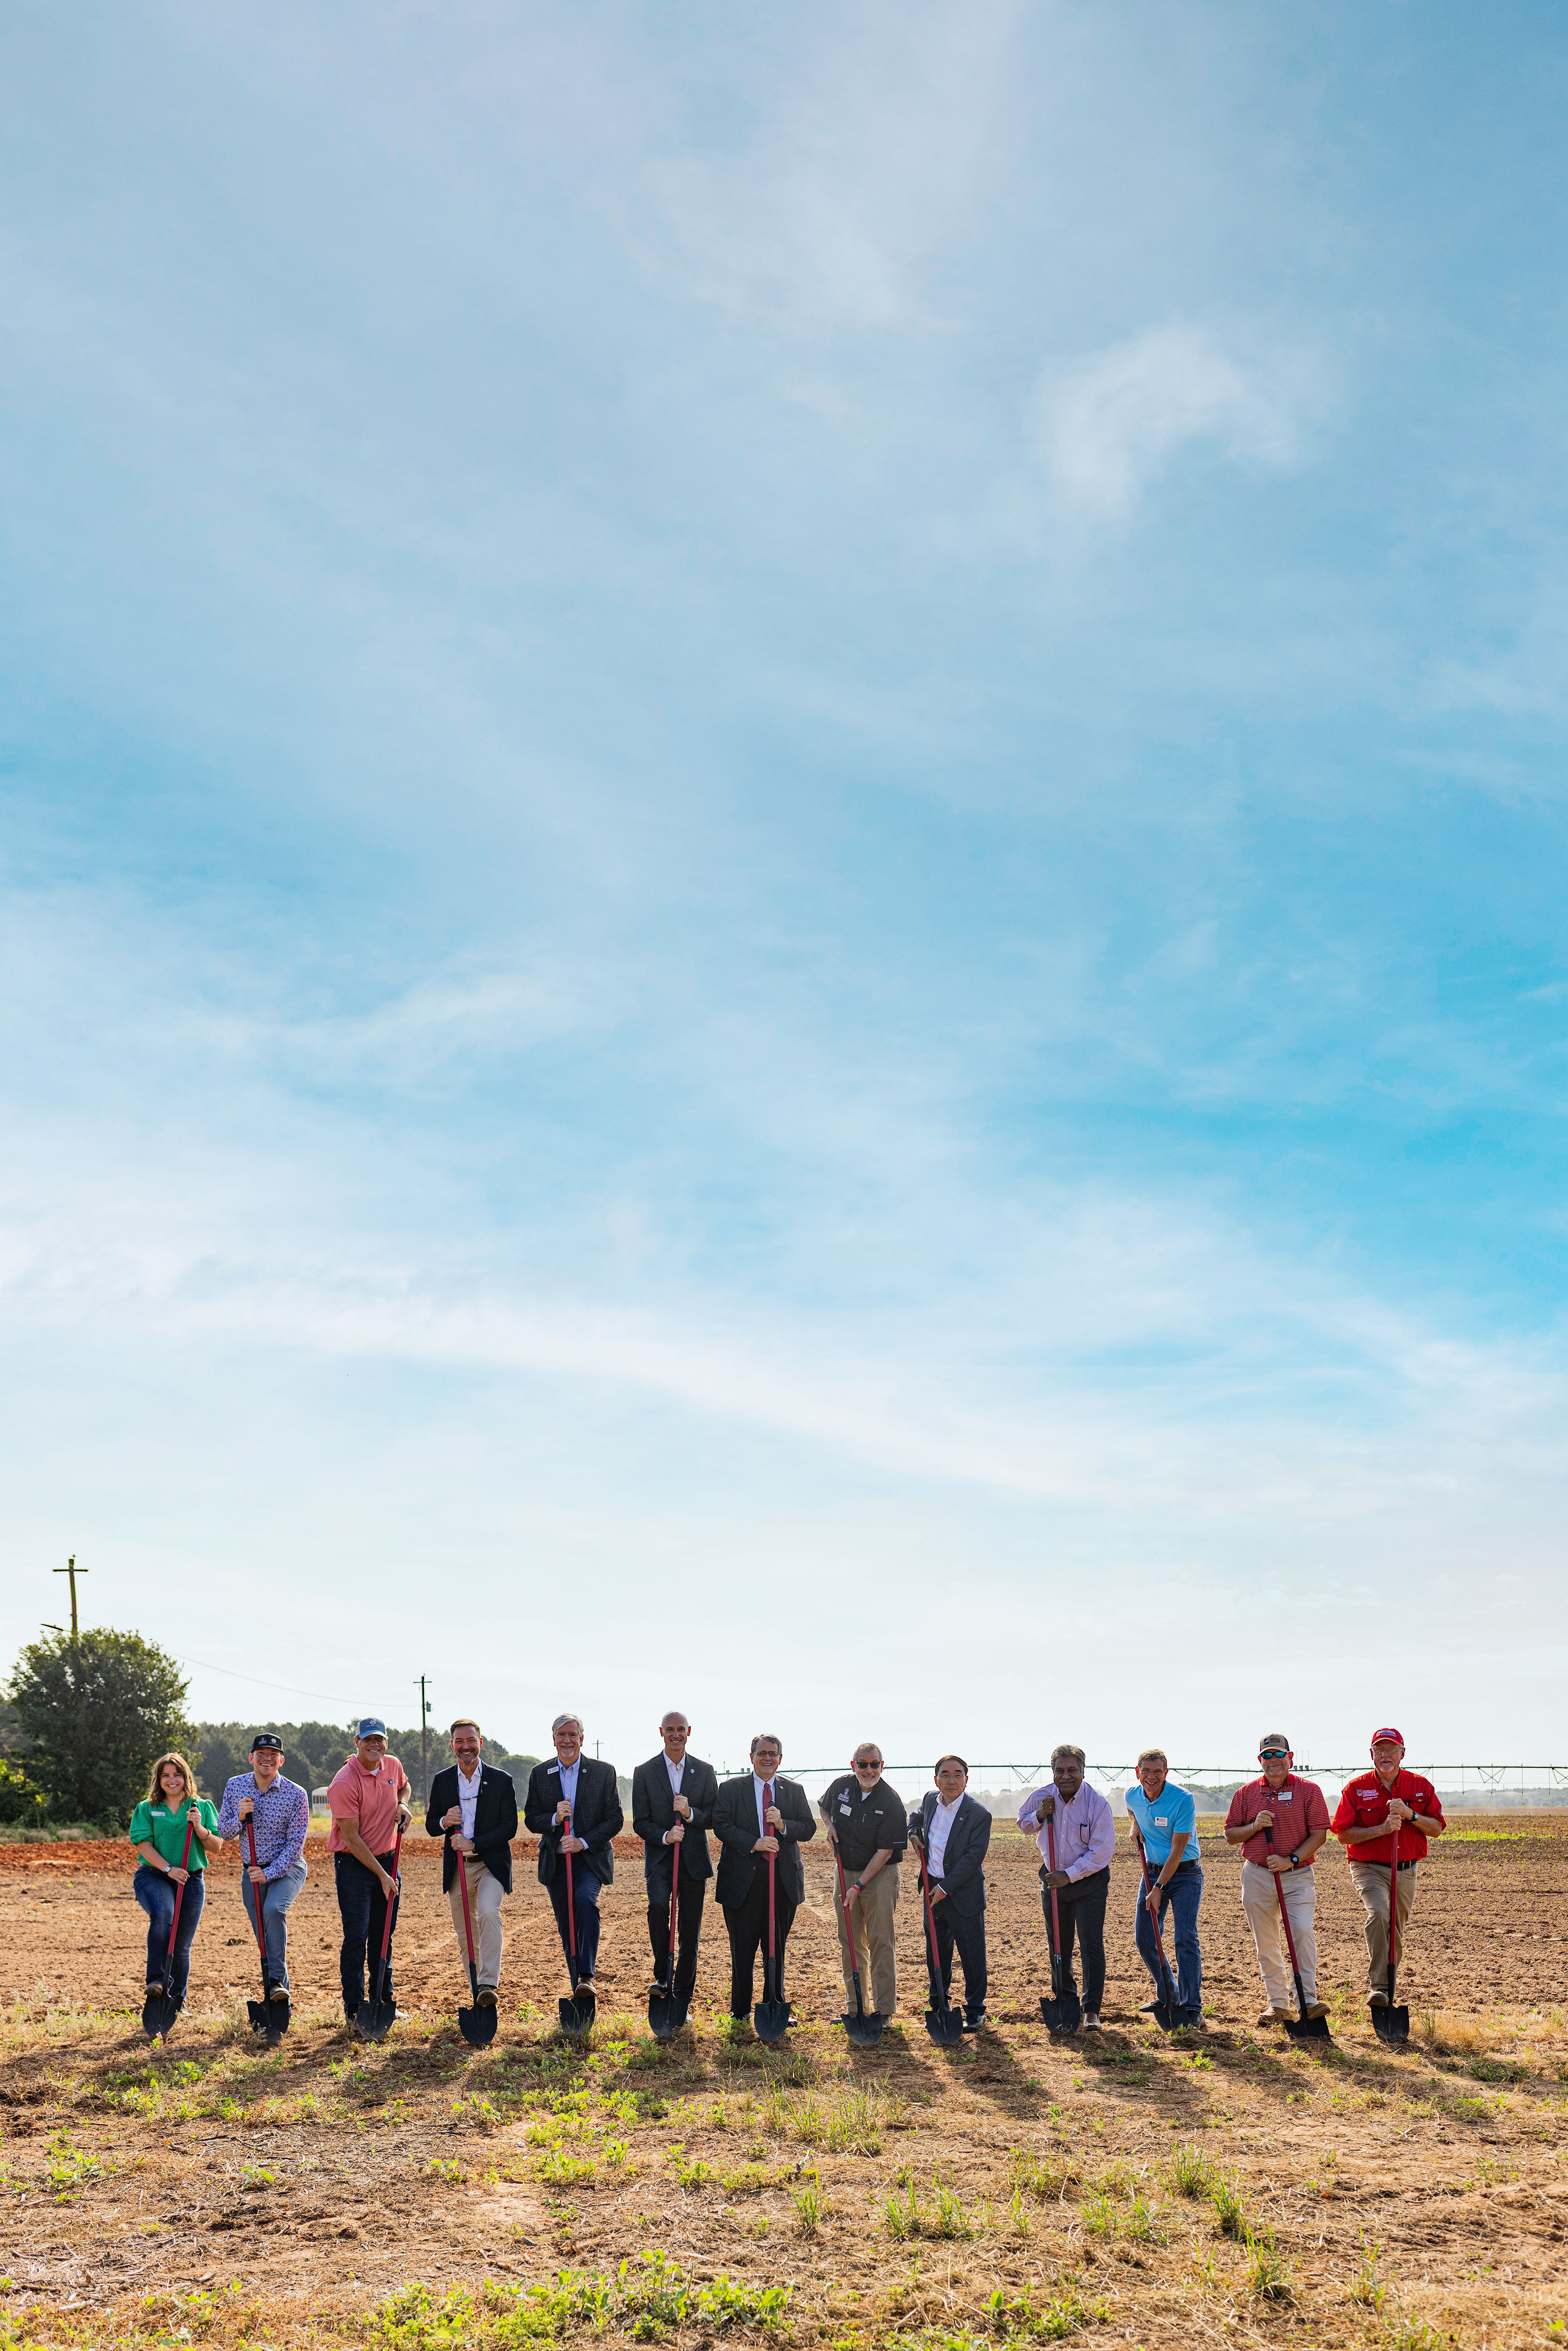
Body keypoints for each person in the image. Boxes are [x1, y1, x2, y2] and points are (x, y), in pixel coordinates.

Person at [1331, 1728, 1446, 2010]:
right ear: (1371, 1754)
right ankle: (1379, 1987)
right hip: (1367, 1867)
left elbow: (1437, 1828)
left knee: (1394, 1927)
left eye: (1391, 1749)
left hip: (1406, 1869)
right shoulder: (1356, 1789)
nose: (1385, 1755)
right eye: (1379, 1750)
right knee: (1380, 1913)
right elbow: (1343, 1834)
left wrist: (1411, 1815)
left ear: (1402, 1754)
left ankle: (1387, 1987)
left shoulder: (1420, 1786)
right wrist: (1382, 1829)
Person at [1223, 1734, 1331, 2027]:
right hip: (1257, 1875)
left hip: (1297, 1876)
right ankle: (1279, 2005)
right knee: (1266, 1942)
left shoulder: (1309, 1791)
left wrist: (1290, 1860)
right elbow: (1231, 1835)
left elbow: (1320, 1834)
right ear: (1260, 1760)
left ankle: (1307, 2001)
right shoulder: (1245, 1794)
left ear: (1290, 1757)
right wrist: (1255, 1826)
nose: (1274, 1761)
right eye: (1267, 1756)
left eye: (1279, 1755)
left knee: (1302, 1932)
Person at [712, 1734, 817, 2028]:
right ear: (752, 1757)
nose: (767, 1758)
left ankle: (776, 2003)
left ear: (780, 1759)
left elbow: (809, 1828)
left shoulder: (793, 1790)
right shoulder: (732, 1789)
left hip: (782, 1881)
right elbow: (721, 1824)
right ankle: (741, 2010)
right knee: (742, 1948)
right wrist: (755, 1843)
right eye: (762, 1754)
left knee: (776, 1947)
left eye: (773, 1754)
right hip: (742, 1882)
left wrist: (783, 1825)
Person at [1015, 1744, 1115, 2032]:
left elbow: (1100, 1854)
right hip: (1053, 1883)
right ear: (1053, 1772)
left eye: (1072, 1770)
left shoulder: (1097, 1804)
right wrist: (1039, 1816)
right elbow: (1023, 1825)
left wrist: (1068, 1876)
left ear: (1083, 1771)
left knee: (1091, 1944)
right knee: (1059, 1944)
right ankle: (1066, 1998)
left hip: (1089, 1883)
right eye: (1060, 1770)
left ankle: (1092, 2010)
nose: (1066, 1776)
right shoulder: (1042, 1796)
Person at [523, 1714, 623, 1997]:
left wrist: (582, 1842)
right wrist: (555, 1818)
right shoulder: (540, 1774)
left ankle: (588, 1976)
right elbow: (532, 1819)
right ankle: (578, 1989)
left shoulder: (604, 1772)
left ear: (582, 1737)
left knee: (585, 1903)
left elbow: (614, 1819)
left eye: (572, 1734)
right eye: (561, 1735)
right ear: (553, 1738)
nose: (567, 1740)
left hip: (590, 1859)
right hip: (556, 1862)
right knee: (567, 1926)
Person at [327, 1718, 413, 2029]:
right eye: (368, 1740)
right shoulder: (343, 1783)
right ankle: (354, 2009)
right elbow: (351, 1838)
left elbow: (404, 1785)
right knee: (357, 1935)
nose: (374, 1745)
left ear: (386, 1742)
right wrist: (382, 1875)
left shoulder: (392, 1765)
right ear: (357, 1742)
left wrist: (402, 1805)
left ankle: (383, 2000)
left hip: (388, 1860)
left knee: (383, 1934)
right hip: (354, 1865)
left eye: (380, 1740)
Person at [426, 1717, 518, 2007]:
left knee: (489, 1914)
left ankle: (489, 1982)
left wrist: (474, 1843)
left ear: (481, 1743)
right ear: (452, 1745)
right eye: (460, 1741)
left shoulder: (502, 1780)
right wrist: (445, 1821)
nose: (466, 1747)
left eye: (471, 1741)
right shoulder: (443, 1781)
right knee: (466, 1931)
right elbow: (431, 1825)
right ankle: (476, 1989)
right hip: (458, 1868)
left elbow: (509, 1828)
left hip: (490, 1863)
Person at [215, 1732, 310, 2007]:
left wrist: (269, 1873)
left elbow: (295, 1844)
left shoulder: (296, 1794)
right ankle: (280, 1996)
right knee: (265, 1939)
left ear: (281, 1760)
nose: (266, 1760)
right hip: (252, 1870)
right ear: (251, 1758)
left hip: (288, 1869)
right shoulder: (236, 1787)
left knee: (273, 1910)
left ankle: (276, 1983)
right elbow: (224, 1831)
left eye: (272, 1756)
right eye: (261, 1755)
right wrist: (241, 1817)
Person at [631, 1711, 719, 2006]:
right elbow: (641, 1822)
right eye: (670, 1729)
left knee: (690, 1929)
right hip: (661, 1858)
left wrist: (689, 1814)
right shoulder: (644, 1772)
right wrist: (666, 1836)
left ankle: (682, 1993)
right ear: (661, 1732)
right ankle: (662, 1976)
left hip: (693, 1860)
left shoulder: (705, 1771)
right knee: (657, 1907)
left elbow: (714, 1817)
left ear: (689, 1731)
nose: (676, 1734)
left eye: (681, 1729)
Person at [819, 1743, 906, 2021]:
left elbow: (885, 1852)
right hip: (844, 1871)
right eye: (863, 1764)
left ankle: (883, 2011)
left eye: (874, 1764)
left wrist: (858, 1887)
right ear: (853, 1765)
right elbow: (824, 1808)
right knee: (850, 1941)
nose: (868, 1770)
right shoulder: (841, 1787)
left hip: (879, 1876)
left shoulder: (891, 1801)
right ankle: (856, 2008)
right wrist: (830, 1824)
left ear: (882, 1765)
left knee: (881, 1941)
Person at [129, 1753, 223, 2010]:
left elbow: (216, 1846)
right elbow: (145, 1846)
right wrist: (169, 1868)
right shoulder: (147, 1808)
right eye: (166, 1776)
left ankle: (177, 2002)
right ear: (158, 1780)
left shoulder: (201, 1807)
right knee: (163, 1915)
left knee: (181, 1945)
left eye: (177, 1775)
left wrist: (200, 1828)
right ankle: (156, 1980)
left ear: (186, 1777)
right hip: (155, 1875)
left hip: (191, 1880)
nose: (172, 1780)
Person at [908, 1756, 991, 2032]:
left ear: (967, 1780)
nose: (952, 1780)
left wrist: (945, 1889)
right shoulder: (931, 1800)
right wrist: (913, 1833)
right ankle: (939, 2004)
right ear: (936, 1780)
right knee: (936, 1952)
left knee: (972, 1954)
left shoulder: (979, 1815)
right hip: (932, 1890)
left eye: (958, 1775)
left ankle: (975, 2010)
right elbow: (915, 1816)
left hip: (962, 1894)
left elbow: (973, 1858)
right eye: (945, 1775)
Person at [1125, 1747, 1204, 2023]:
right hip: (1152, 1872)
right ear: (1138, 1773)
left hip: (1184, 1875)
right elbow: (1131, 1808)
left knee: (1185, 1938)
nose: (1151, 1776)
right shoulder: (1132, 1796)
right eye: (1146, 1771)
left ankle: (1192, 2006)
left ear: (1166, 1773)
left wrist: (1158, 1888)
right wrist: (1135, 1824)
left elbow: (1178, 1850)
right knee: (1145, 1939)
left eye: (1158, 1771)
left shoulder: (1183, 1799)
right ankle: (1169, 1994)